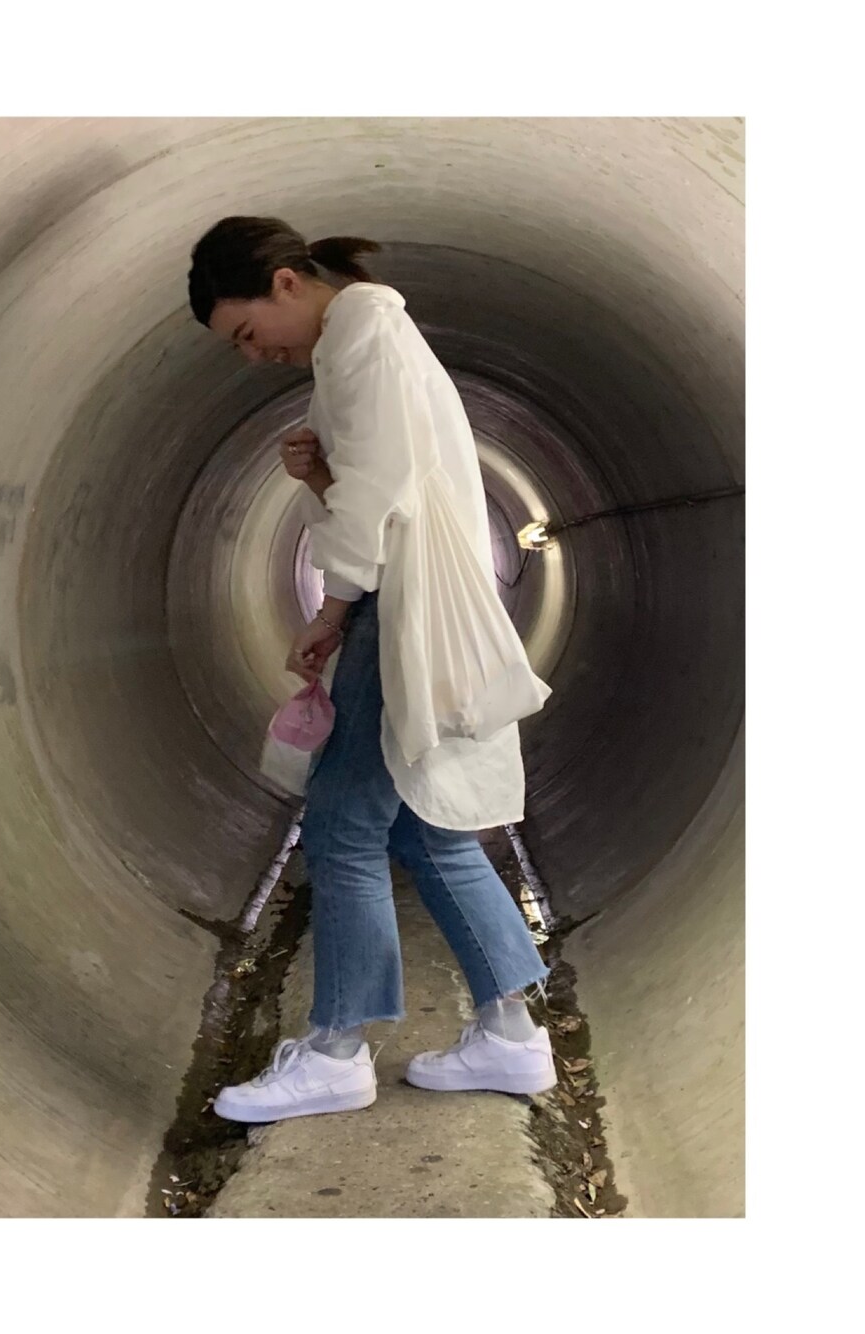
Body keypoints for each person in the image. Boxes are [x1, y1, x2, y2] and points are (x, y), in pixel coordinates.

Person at [187, 217, 556, 1123]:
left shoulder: (362, 334)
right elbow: (386, 486)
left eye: (247, 332)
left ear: (285, 282)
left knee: (344, 828)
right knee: (426, 828)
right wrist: (320, 481)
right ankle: (512, 1037)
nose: (254, 355)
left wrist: (329, 610)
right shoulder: (364, 341)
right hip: (406, 603)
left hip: (400, 613)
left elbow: (381, 499)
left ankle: (337, 1052)